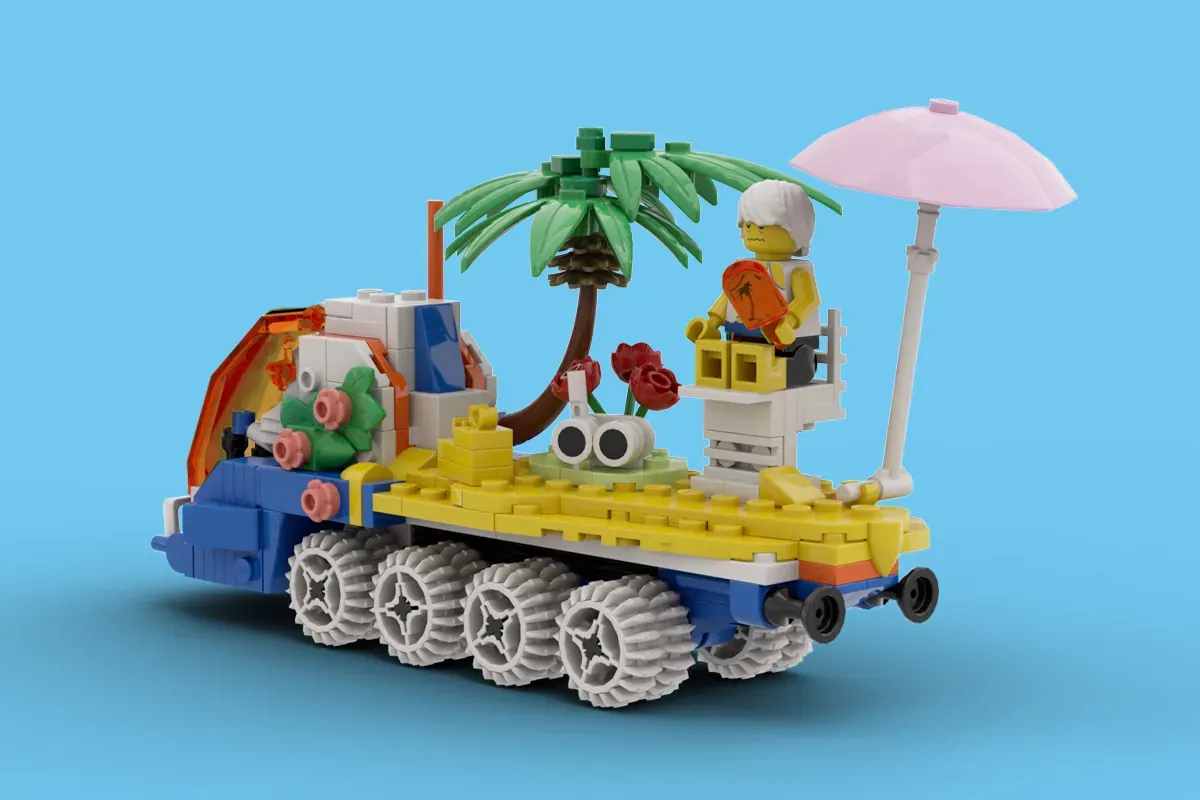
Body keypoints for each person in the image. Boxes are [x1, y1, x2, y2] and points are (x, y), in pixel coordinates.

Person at [685, 179, 821, 387]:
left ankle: (775, 373)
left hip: (783, 337)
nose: (754, 232)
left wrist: (788, 321)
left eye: (762, 226)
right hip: (742, 332)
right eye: (748, 225)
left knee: (783, 364)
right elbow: (730, 296)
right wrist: (712, 322)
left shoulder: (797, 271)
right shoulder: (743, 268)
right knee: (733, 360)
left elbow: (808, 300)